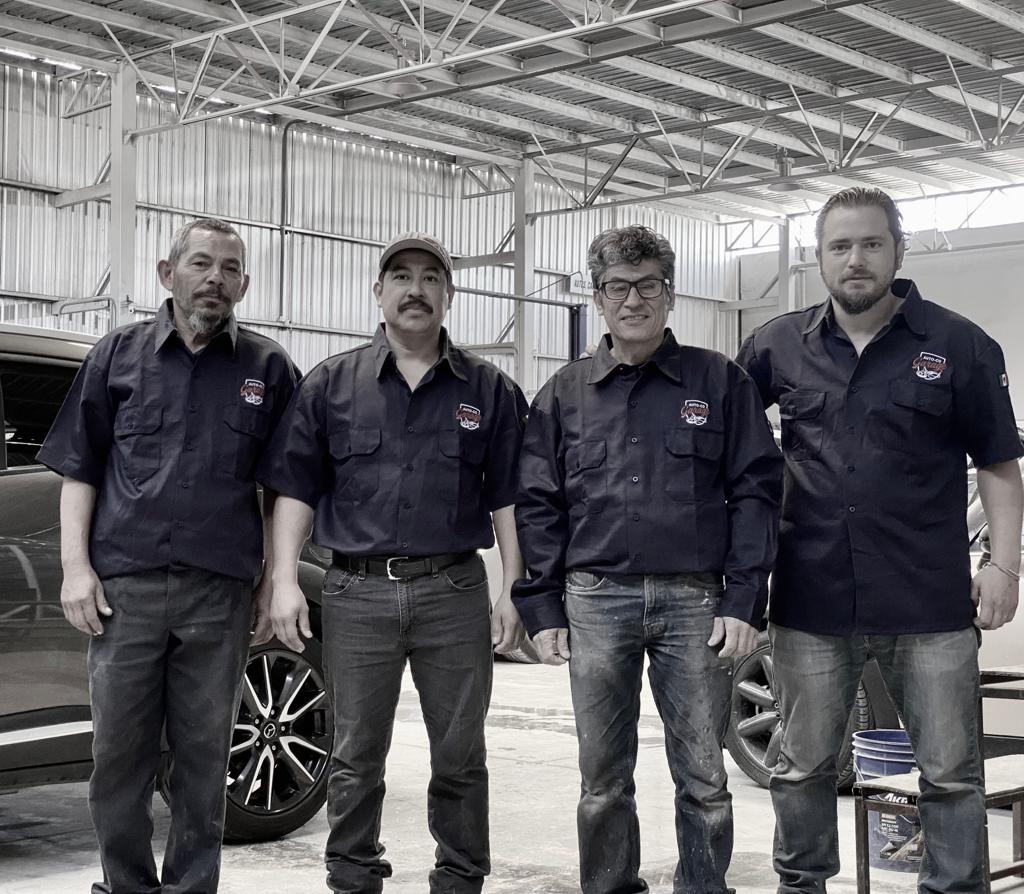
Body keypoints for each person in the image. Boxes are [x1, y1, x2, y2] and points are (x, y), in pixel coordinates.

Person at [736, 186, 1024, 893]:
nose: (855, 259)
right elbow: (727, 446)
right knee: (801, 769)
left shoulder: (959, 345)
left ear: (899, 250)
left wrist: (1004, 566)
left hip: (928, 603)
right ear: (819, 257)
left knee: (950, 775)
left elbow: (998, 462)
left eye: (871, 243)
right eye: (840, 246)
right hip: (811, 599)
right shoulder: (776, 345)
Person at [513, 225, 783, 894]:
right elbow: (539, 505)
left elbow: (756, 492)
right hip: (595, 599)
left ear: (671, 293)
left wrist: (744, 599)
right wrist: (542, 607)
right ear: (598, 298)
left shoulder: (719, 383)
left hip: (695, 603)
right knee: (602, 779)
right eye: (618, 288)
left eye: (649, 286)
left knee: (705, 776)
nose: (633, 300)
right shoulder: (563, 394)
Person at [258, 231, 528, 894]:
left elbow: (510, 496)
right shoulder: (332, 383)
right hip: (357, 593)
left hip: (452, 590)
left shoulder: (488, 389)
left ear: (449, 295)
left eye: (431, 278)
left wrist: (514, 589)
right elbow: (294, 488)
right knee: (354, 756)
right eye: (401, 277)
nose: (416, 289)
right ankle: (353, 879)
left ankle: (459, 879)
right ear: (379, 292)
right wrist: (283, 579)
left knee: (460, 756)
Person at [37, 218, 298, 894]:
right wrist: (74, 569)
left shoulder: (268, 369)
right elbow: (79, 468)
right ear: (167, 273)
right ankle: (125, 886)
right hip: (125, 593)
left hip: (219, 595)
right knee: (118, 759)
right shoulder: (116, 356)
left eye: (231, 268)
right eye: (202, 263)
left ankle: (190, 888)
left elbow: (285, 489)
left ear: (244, 283)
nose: (216, 278)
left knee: (204, 763)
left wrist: (276, 581)